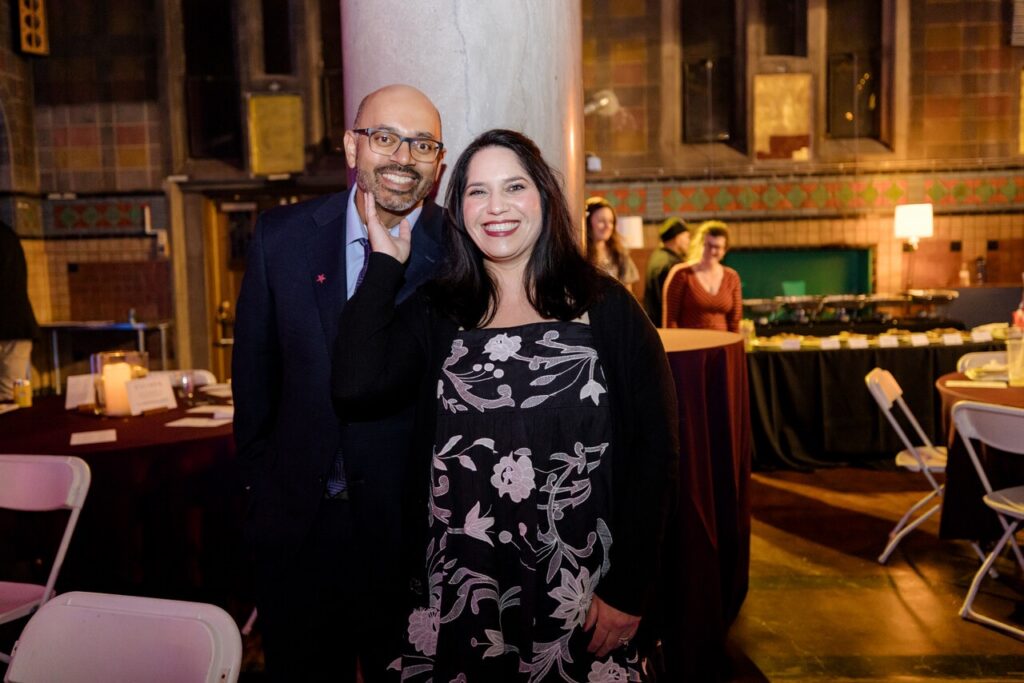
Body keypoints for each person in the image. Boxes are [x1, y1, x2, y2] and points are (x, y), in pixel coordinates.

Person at [332, 129, 678, 682]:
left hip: (582, 595)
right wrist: (385, 264)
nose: (496, 207)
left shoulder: (606, 309)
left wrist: (630, 587)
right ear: (457, 208)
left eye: (514, 187)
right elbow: (354, 385)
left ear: (543, 196)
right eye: (476, 192)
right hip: (462, 590)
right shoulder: (438, 310)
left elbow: (655, 455)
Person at [232, 84, 446, 682]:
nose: (403, 157)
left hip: (410, 540)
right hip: (298, 529)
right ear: (352, 147)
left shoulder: (459, 252)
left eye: (422, 144)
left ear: (439, 163)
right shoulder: (282, 237)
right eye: (385, 138)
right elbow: (253, 379)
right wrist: (263, 486)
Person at [662, 220, 742, 332]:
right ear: (699, 244)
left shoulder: (731, 277)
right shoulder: (681, 274)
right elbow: (670, 322)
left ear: (724, 250)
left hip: (723, 347)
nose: (712, 251)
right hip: (691, 346)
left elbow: (735, 322)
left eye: (717, 247)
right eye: (708, 245)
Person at [0, 221, 39, 401]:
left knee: (9, 395)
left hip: (9, 325)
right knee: (14, 394)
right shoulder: (8, 234)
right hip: (18, 323)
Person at [642, 217, 690, 325]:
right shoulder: (672, 264)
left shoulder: (657, 256)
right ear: (678, 238)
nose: (689, 242)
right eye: (687, 237)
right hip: (666, 326)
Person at [584, 196, 639, 289]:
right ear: (588, 223)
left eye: (611, 221)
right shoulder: (581, 253)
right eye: (601, 221)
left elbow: (628, 293)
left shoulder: (620, 254)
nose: (607, 226)